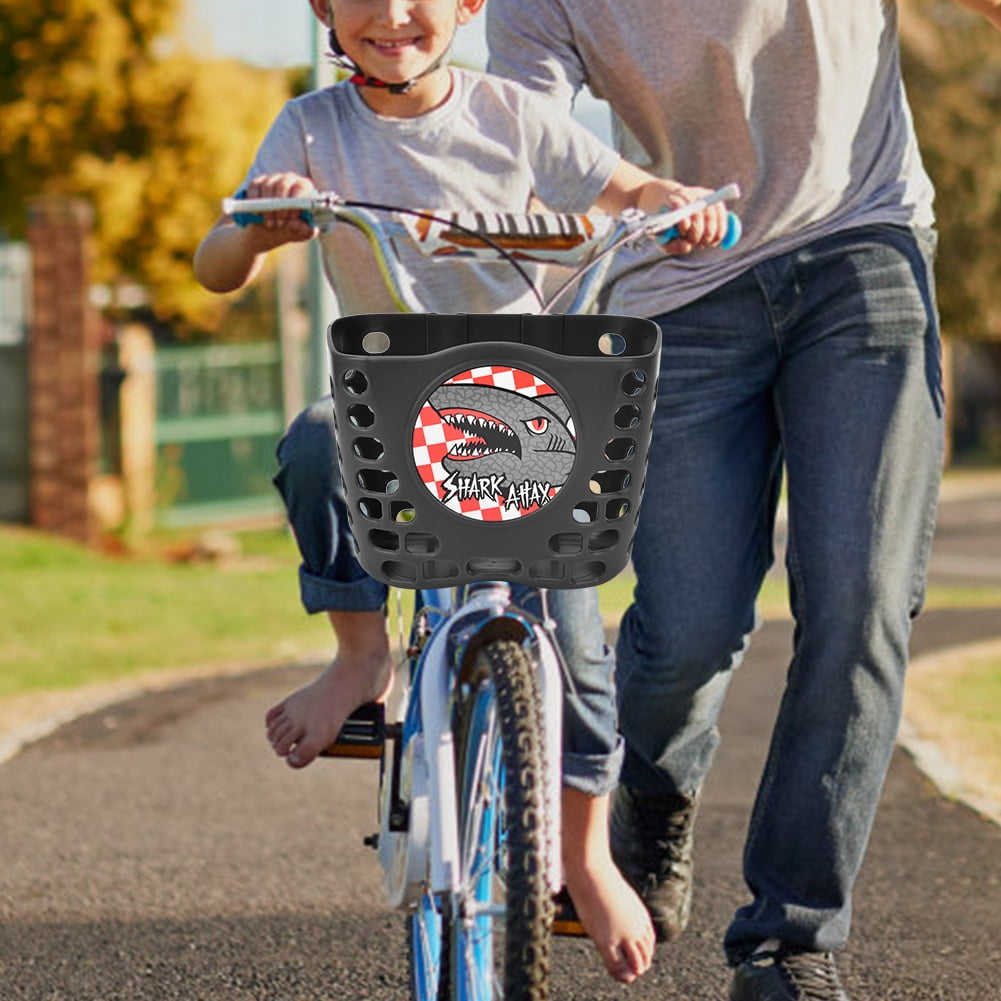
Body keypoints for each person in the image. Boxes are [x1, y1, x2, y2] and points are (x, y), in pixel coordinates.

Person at [194, 0, 733, 983]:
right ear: (321, 10)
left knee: (576, 654)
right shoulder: (312, 130)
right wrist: (262, 225)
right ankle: (359, 658)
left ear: (467, 8)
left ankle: (581, 852)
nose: (390, 16)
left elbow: (625, 190)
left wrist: (675, 202)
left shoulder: (510, 117)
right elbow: (215, 263)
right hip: (390, 409)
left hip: (530, 415)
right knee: (316, 438)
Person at [485, 1, 1001, 999]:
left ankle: (788, 936)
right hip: (674, 287)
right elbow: (522, 140)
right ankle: (650, 789)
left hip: (860, 246)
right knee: (686, 625)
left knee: (861, 600)